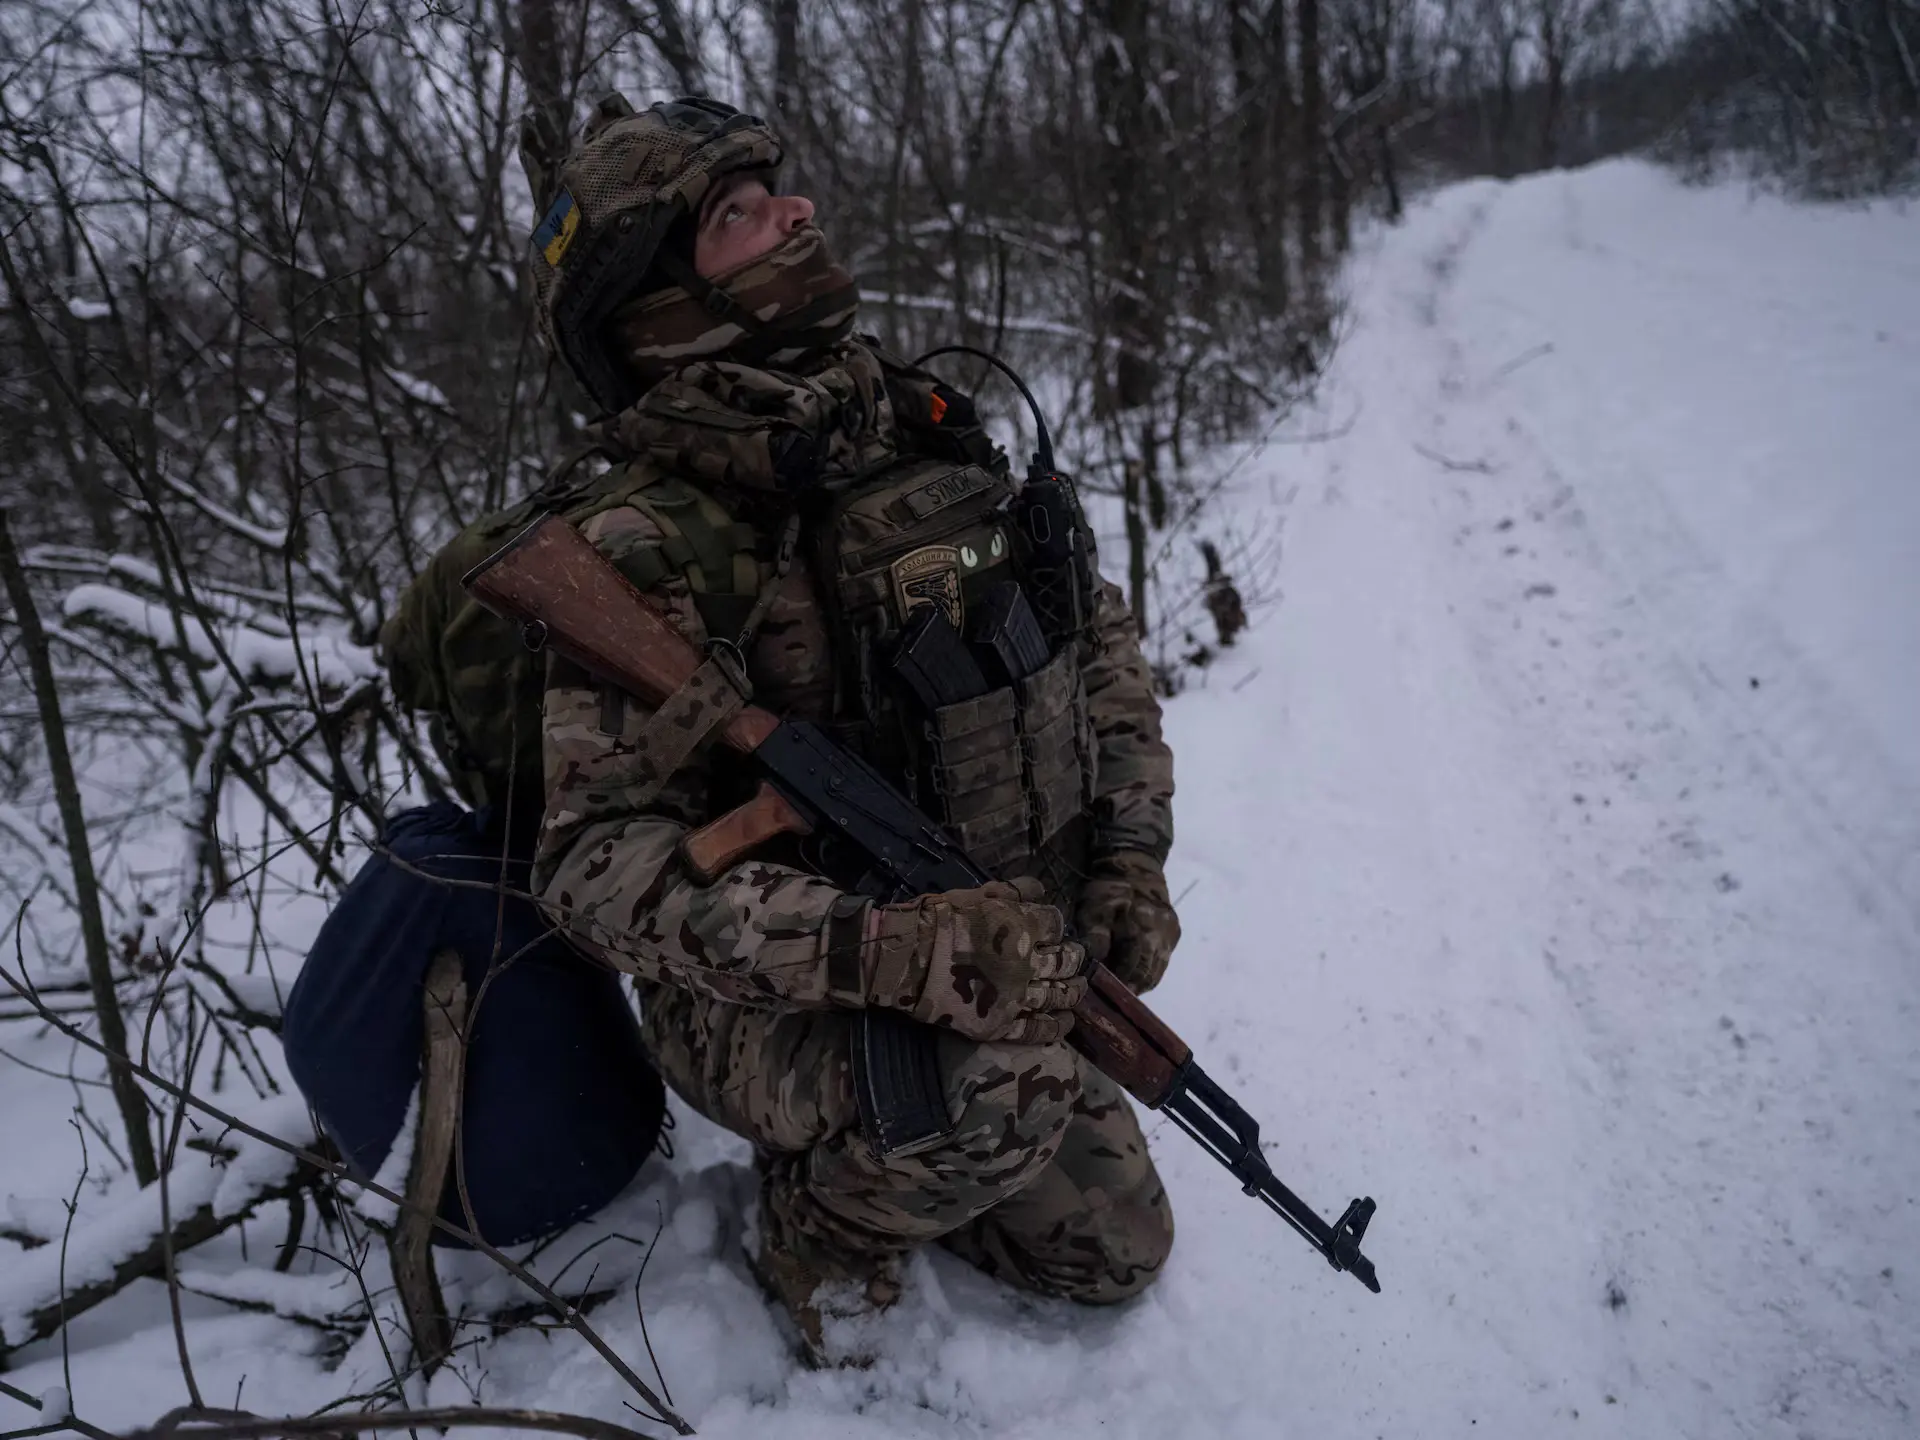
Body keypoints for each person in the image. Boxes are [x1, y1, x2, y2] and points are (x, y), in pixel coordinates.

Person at [394, 94, 1182, 1365]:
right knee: (1005, 1095)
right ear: (655, 298)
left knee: (1111, 1252)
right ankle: (823, 1232)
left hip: (976, 925)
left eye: (782, 190)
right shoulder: (647, 542)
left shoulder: (921, 429)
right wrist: (890, 952)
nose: (797, 210)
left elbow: (1093, 649)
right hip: (765, 996)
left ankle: (940, 1123)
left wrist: (1129, 857)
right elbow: (594, 872)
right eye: (738, 213)